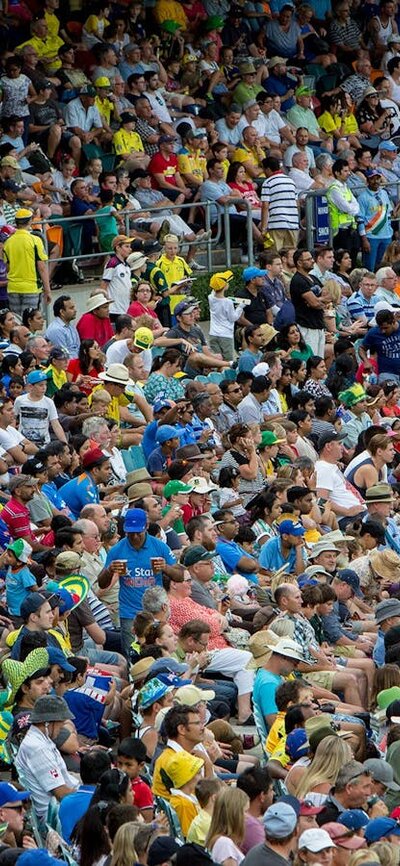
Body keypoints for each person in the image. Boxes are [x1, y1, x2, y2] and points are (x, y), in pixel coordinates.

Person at [3, 208, 50, 315]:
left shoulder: (8, 242)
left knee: (17, 323)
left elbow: (8, 267)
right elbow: (42, 268)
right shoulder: (35, 240)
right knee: (30, 322)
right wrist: (47, 290)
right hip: (31, 287)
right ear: (30, 221)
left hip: (13, 288)